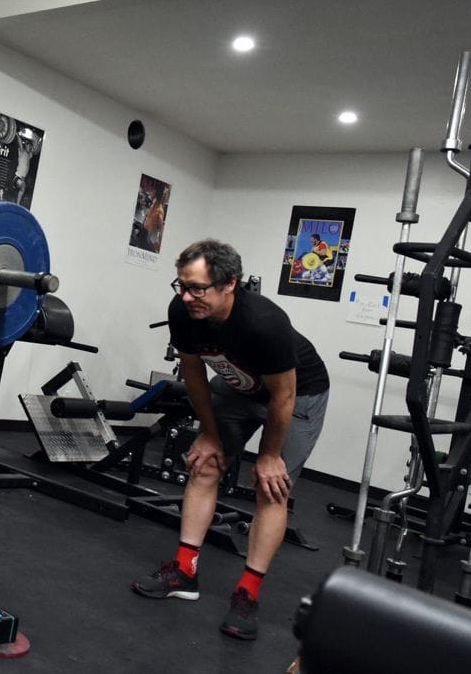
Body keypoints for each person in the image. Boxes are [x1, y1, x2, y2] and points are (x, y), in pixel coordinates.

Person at [132, 239, 329, 640]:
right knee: (205, 464)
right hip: (239, 386)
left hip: (298, 395)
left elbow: (283, 397)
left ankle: (247, 593)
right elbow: (193, 373)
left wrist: (270, 455)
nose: (187, 297)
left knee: (271, 488)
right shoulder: (183, 312)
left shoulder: (263, 322)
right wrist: (209, 433)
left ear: (229, 284)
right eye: (181, 286)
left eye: (198, 289)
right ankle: (184, 571)